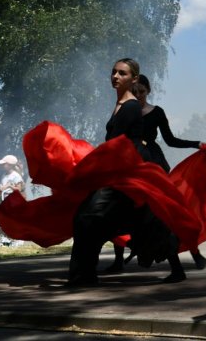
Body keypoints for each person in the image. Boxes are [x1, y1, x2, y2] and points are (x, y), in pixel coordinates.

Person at [69, 58, 186, 286]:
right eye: (113, 72)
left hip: (126, 171)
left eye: (122, 73)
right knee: (140, 220)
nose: (115, 76)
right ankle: (85, 275)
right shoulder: (122, 104)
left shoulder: (132, 106)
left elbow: (124, 144)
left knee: (88, 218)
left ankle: (83, 276)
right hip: (119, 169)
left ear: (133, 78)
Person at [106, 74, 206, 272]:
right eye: (134, 92)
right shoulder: (124, 111)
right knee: (117, 206)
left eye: (141, 92)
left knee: (166, 212)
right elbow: (112, 136)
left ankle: (194, 254)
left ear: (148, 91)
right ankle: (118, 260)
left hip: (153, 164)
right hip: (129, 163)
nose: (138, 96)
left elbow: (170, 140)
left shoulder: (156, 112)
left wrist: (196, 144)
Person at [0, 155, 24, 246]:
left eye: (4, 164)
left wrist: (9, 186)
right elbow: (2, 187)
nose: (2, 166)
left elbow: (19, 190)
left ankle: (17, 240)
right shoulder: (4, 175)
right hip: (5, 201)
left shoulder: (16, 176)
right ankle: (5, 239)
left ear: (10, 165)